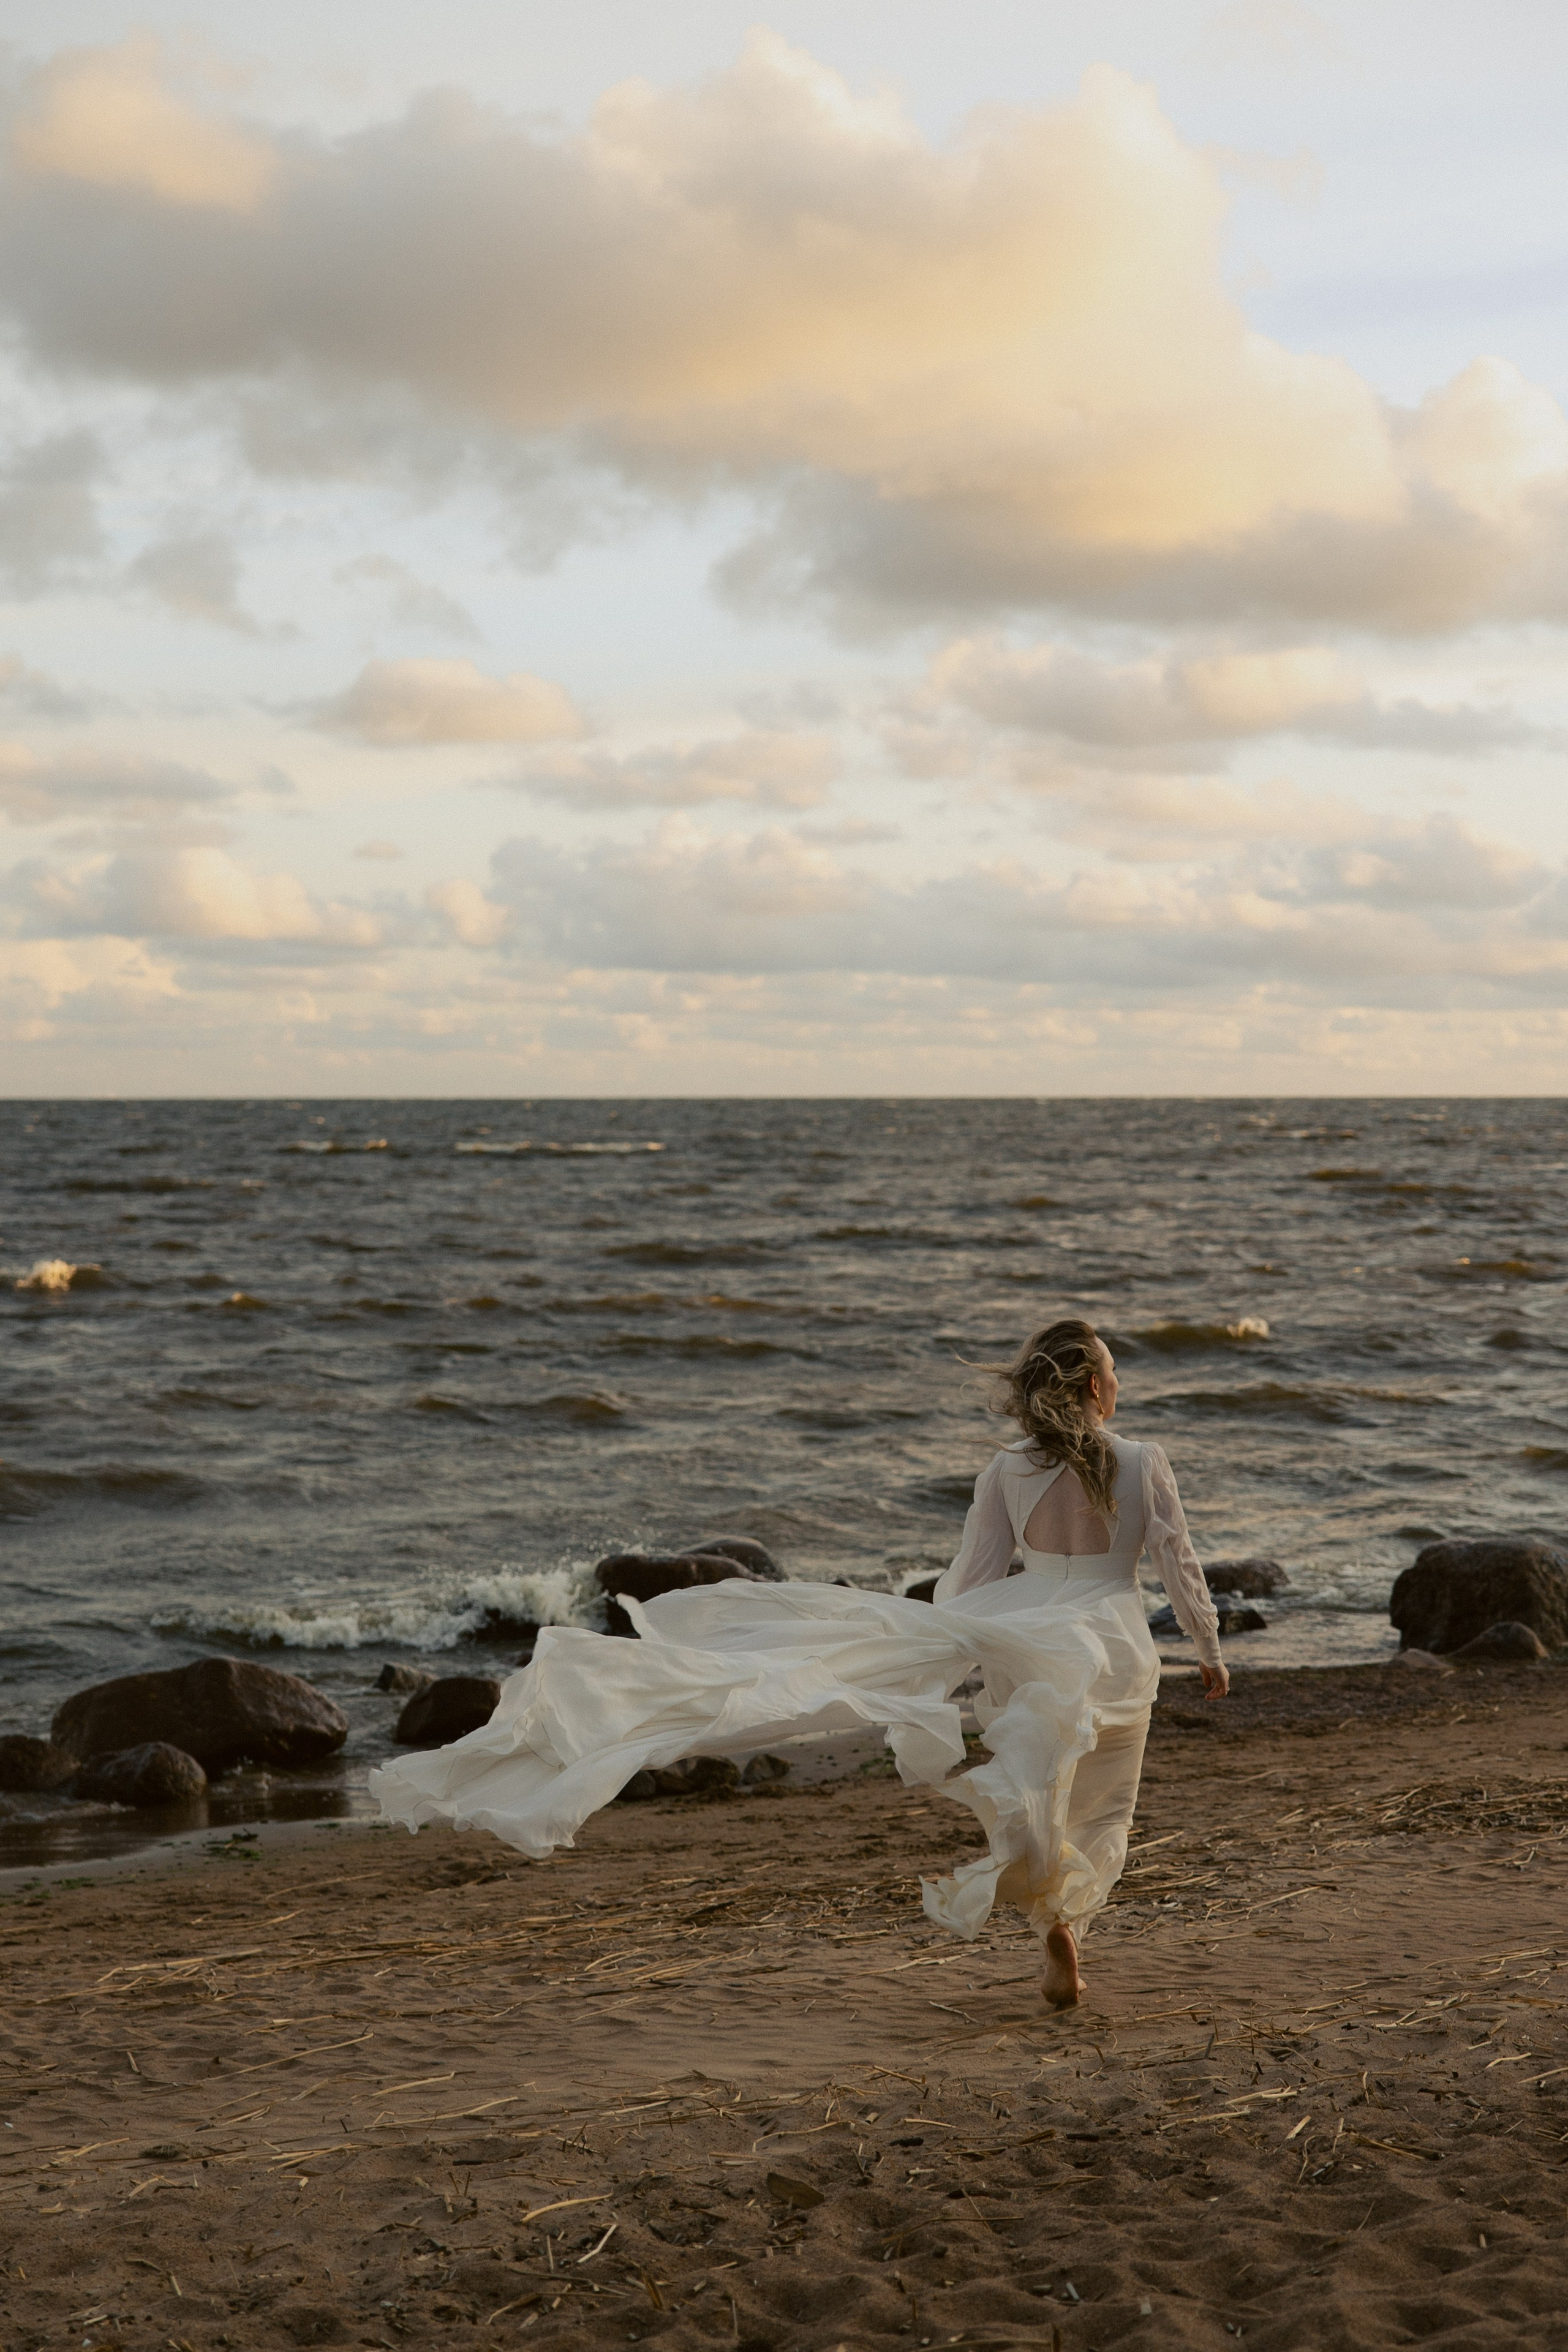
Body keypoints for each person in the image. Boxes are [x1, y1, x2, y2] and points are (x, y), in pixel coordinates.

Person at [371, 1314, 1226, 2010]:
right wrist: (1212, 1650)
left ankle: (1051, 1934)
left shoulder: (1007, 1471)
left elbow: (968, 1578)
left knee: (1040, 1777)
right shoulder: (1146, 1462)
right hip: (1115, 1646)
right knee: (1105, 1790)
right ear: (1095, 1388)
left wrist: (934, 1642)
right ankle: (1068, 1921)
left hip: (1026, 1637)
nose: (1119, 1387)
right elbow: (1178, 1565)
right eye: (1113, 1374)